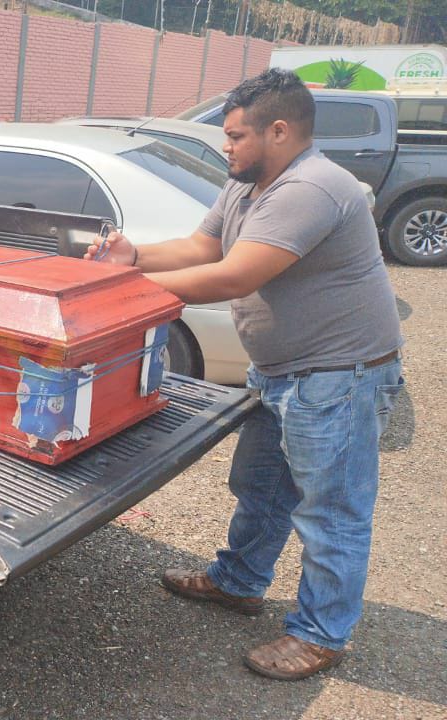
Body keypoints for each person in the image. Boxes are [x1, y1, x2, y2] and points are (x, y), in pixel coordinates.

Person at [85, 68, 404, 681]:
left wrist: (125, 290)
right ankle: (239, 581)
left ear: (278, 131)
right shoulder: (249, 185)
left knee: (331, 512)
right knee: (261, 487)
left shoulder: (311, 187)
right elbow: (201, 248)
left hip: (339, 377)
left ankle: (321, 634)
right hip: (282, 371)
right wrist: (133, 257)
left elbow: (235, 275)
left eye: (235, 136)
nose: (226, 147)